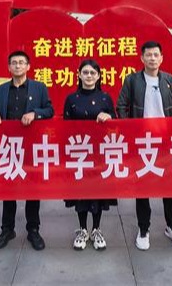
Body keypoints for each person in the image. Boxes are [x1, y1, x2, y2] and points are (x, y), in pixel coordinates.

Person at [117, 40, 172, 251]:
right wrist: (131, 130)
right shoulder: (132, 80)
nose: (152, 58)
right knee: (142, 186)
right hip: (142, 142)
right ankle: (143, 228)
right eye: (148, 55)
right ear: (142, 58)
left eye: (156, 55)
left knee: (169, 186)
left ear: (161, 58)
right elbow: (121, 105)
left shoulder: (169, 80)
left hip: (165, 141)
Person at [0, 50, 54, 251]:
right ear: (9, 67)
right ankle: (7, 229)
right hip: (9, 147)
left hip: (31, 146)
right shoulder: (1, 89)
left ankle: (33, 229)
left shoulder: (39, 88)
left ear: (28, 66)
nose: (18, 66)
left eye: (21, 62)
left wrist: (35, 113)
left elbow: (50, 110)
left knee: (32, 189)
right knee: (8, 189)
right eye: (14, 63)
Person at [63, 59, 117, 251]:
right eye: (85, 72)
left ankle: (96, 229)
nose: (89, 76)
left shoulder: (105, 98)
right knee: (80, 192)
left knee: (98, 191)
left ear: (99, 76)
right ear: (79, 75)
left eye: (93, 73)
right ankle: (82, 230)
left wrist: (109, 117)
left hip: (99, 153)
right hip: (78, 153)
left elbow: (115, 121)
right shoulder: (71, 99)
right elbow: (65, 126)